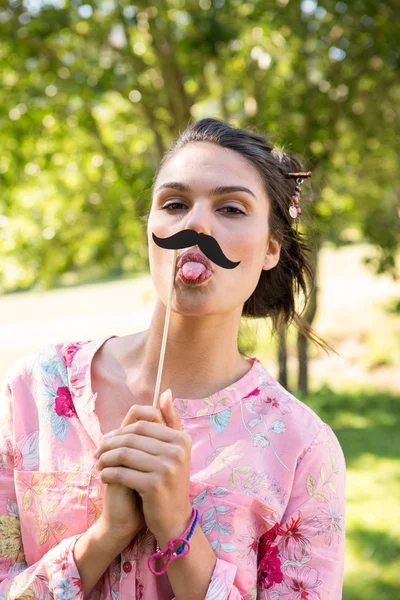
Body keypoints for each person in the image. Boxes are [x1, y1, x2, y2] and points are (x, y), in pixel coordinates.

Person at [0, 118, 346, 599]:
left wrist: (178, 526)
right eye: (175, 204)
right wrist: (106, 535)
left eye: (230, 208)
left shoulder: (302, 449)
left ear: (271, 247)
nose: (195, 225)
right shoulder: (33, 391)